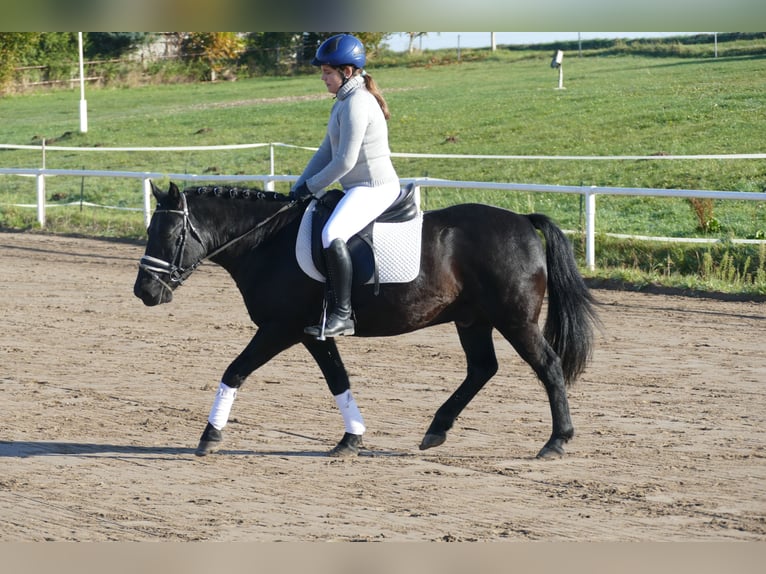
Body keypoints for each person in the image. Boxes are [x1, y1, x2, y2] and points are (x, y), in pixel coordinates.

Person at [291, 33, 401, 339]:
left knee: (332, 233)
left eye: (327, 72)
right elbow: (326, 151)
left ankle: (342, 316)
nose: (323, 78)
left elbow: (344, 162)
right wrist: (297, 187)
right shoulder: (342, 102)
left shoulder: (357, 103)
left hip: (375, 187)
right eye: (323, 73)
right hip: (358, 187)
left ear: (347, 72)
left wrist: (311, 187)